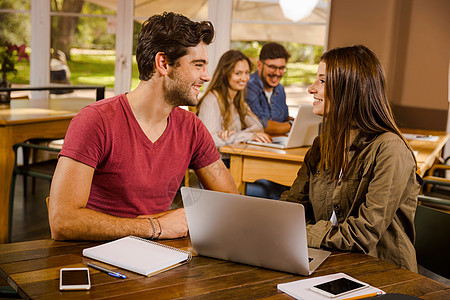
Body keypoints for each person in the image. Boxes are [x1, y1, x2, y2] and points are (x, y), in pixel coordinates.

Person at [48, 12, 238, 241]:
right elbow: (62, 221)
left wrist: (168, 223)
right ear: (163, 63)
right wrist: (155, 226)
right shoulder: (95, 121)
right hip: (94, 257)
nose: (206, 76)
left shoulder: (192, 129)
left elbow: (231, 204)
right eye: (198, 65)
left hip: (159, 257)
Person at [279, 45, 421, 272]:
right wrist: (277, 225)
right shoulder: (321, 146)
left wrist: (296, 232)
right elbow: (291, 208)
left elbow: (363, 235)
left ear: (351, 89)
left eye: (323, 81)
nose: (311, 88)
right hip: (328, 261)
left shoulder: (390, 150)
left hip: (381, 274)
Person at [197, 50, 271, 166]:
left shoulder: (238, 102)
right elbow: (209, 139)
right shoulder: (212, 100)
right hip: (214, 167)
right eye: (238, 73)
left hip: (233, 162)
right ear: (225, 74)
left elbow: (258, 127)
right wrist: (248, 136)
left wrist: (234, 135)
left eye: (247, 72)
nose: (244, 78)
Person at [245, 42, 292, 135]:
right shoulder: (248, 87)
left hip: (277, 142)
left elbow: (284, 118)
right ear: (259, 65)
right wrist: (291, 125)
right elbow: (262, 125)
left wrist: (297, 122)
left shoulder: (280, 89)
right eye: (272, 67)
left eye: (281, 68)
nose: (277, 73)